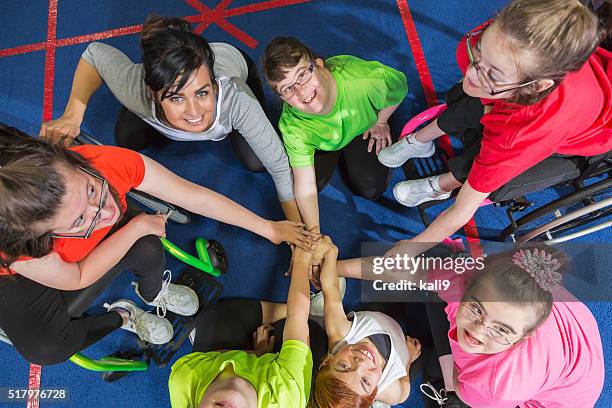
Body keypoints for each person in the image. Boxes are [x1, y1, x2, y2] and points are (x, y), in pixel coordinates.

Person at [0, 124, 314, 365]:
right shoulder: (22, 244)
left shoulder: (107, 164)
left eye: (93, 190)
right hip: (27, 276)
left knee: (149, 245)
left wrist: (268, 228)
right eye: (80, 220)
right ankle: (125, 316)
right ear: (42, 236)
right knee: (48, 348)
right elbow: (76, 276)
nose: (107, 211)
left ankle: (153, 291)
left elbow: (193, 195)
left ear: (75, 162)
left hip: (66, 254)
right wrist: (135, 225)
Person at [377, 0, 612, 253]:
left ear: (535, 86)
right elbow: (484, 76)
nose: (471, 73)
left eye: (493, 73)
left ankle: (443, 186)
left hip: (586, 131)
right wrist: (489, 85)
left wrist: (412, 247)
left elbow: (463, 209)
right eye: (478, 53)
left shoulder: (522, 131)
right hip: (554, 85)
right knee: (470, 100)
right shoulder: (508, 38)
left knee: (487, 164)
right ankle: (421, 141)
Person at [38, 15, 302, 222]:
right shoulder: (135, 88)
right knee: (126, 138)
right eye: (176, 98)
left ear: (212, 82)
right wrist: (73, 114)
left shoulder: (237, 99)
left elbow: (279, 167)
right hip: (154, 99)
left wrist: (301, 238)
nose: (194, 111)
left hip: (235, 67)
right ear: (153, 93)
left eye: (202, 92)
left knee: (257, 161)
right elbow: (95, 54)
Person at [335, 245, 605, 408]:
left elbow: (460, 385)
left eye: (500, 329)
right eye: (476, 309)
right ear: (468, 286)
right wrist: (335, 267)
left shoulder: (498, 385)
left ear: (523, 339)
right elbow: (403, 270)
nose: (478, 330)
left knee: (449, 385)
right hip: (572, 327)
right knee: (434, 271)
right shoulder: (465, 277)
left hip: (564, 392)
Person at [262, 37, 408, 237]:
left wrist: (381, 121)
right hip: (326, 143)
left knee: (371, 188)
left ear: (319, 64)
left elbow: (399, 87)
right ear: (281, 97)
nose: (302, 92)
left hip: (362, 127)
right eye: (288, 89)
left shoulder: (364, 81)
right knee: (314, 184)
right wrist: (314, 236)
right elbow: (304, 185)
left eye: (302, 75)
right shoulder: (292, 124)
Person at [168, 245, 321, 408]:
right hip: (278, 376)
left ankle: (284, 315)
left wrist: (257, 353)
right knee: (312, 331)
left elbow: (213, 355)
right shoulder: (288, 396)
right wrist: (303, 255)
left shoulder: (184, 380)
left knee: (213, 317)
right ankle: (313, 310)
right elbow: (297, 316)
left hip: (220, 360)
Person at [309, 237, 422, 407]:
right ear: (375, 391)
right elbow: (403, 394)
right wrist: (408, 362)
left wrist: (332, 252)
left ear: (328, 360)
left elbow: (330, 288)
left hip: (373, 313)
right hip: (401, 342)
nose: (361, 363)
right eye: (366, 382)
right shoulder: (389, 390)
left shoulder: (339, 332)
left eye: (344, 366)